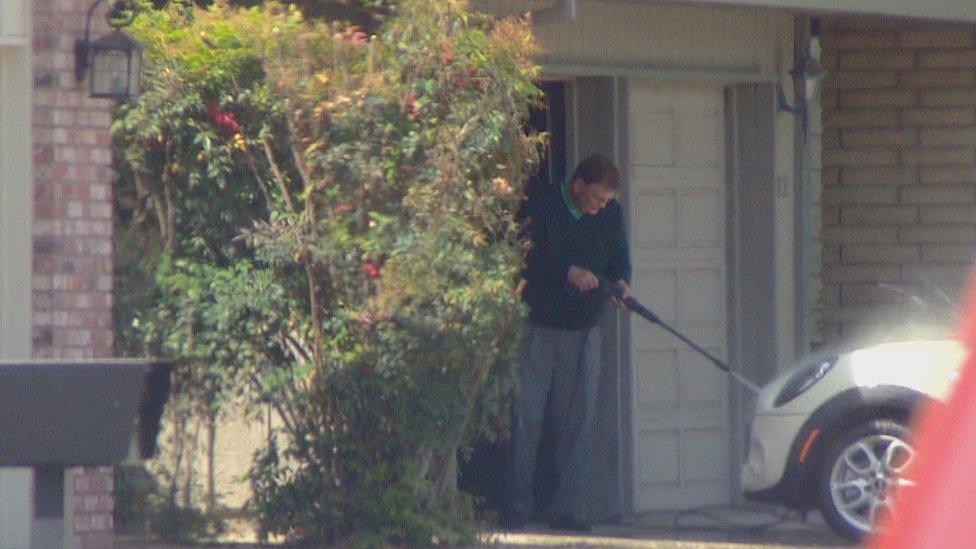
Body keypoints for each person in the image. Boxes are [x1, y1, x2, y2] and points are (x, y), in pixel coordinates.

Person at [504, 153, 632, 532]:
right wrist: (568, 272)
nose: (600, 208)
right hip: (540, 327)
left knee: (577, 421)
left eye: (606, 201)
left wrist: (621, 283)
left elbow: (619, 261)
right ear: (578, 187)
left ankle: (568, 511)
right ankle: (517, 508)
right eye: (595, 200)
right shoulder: (544, 204)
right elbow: (528, 258)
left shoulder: (610, 214)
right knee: (526, 417)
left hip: (584, 327)